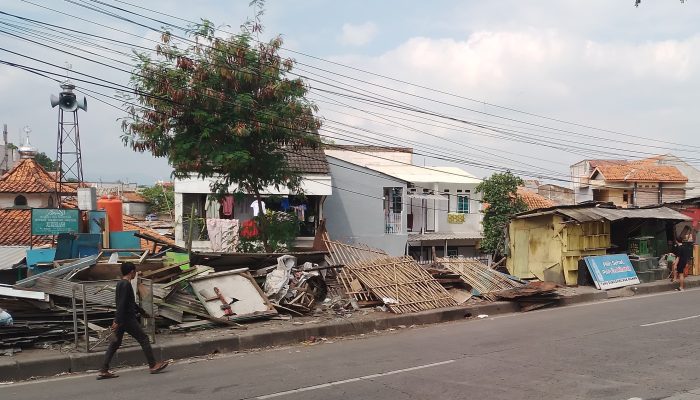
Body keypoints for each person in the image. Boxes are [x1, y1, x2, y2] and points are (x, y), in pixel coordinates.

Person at [98, 262, 169, 379]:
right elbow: (122, 304)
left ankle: (103, 369)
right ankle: (153, 365)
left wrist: (142, 312)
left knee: (115, 343)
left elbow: (129, 302)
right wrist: (117, 320)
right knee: (144, 339)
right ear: (132, 272)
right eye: (135, 271)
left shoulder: (120, 284)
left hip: (122, 319)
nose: (135, 273)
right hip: (127, 319)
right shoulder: (126, 285)